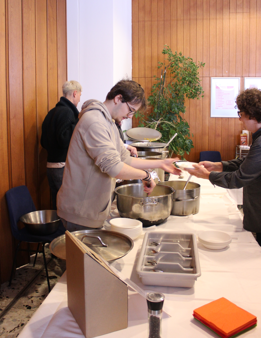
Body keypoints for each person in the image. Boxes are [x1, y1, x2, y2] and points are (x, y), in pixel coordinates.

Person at [57, 79, 181, 231]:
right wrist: (146, 176)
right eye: (131, 110)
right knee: (84, 255)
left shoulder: (109, 122)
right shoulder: (94, 122)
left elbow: (125, 159)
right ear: (118, 99)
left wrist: (160, 163)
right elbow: (114, 167)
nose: (130, 116)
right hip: (80, 210)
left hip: (91, 208)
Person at [187, 88, 261, 259]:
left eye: (241, 115)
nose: (241, 120)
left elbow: (239, 179)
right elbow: (247, 163)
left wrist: (207, 176)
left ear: (251, 115)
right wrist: (217, 166)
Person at [41, 80, 82, 209]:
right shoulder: (67, 112)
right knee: (68, 207)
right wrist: (79, 122)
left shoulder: (52, 112)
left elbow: (43, 141)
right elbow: (64, 140)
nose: (80, 99)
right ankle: (65, 231)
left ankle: (59, 230)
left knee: (57, 206)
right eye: (80, 95)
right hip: (62, 167)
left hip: (50, 167)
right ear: (75, 93)